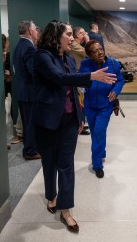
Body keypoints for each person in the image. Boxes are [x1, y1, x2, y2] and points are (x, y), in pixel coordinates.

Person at [32, 21, 116, 233]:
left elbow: (73, 86)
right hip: (48, 122)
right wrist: (91, 76)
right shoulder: (42, 56)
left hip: (69, 120)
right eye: (69, 34)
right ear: (56, 36)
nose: (73, 38)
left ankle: (66, 210)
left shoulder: (69, 58)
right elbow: (59, 78)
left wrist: (80, 117)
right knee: (49, 163)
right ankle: (51, 196)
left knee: (66, 164)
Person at [79, 40, 125, 178]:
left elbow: (120, 80)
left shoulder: (113, 64)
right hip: (90, 105)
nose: (100, 52)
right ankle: (101, 151)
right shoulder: (85, 64)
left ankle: (97, 164)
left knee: (99, 131)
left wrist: (115, 91)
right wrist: (90, 81)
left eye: (100, 48)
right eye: (95, 51)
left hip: (106, 105)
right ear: (89, 55)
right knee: (95, 132)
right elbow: (81, 80)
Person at [12, 20, 40, 160]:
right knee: (30, 123)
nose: (37, 31)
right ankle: (30, 151)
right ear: (30, 31)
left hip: (23, 91)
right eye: (35, 29)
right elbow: (33, 72)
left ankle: (30, 149)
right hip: (30, 92)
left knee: (27, 122)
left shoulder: (18, 46)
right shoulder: (29, 48)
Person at [69, 27, 90, 135]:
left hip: (79, 74)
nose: (84, 34)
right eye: (82, 33)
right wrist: (87, 40)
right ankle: (79, 124)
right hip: (76, 75)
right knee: (79, 101)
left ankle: (81, 123)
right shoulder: (73, 44)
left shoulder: (76, 45)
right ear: (76, 35)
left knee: (81, 100)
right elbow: (88, 52)